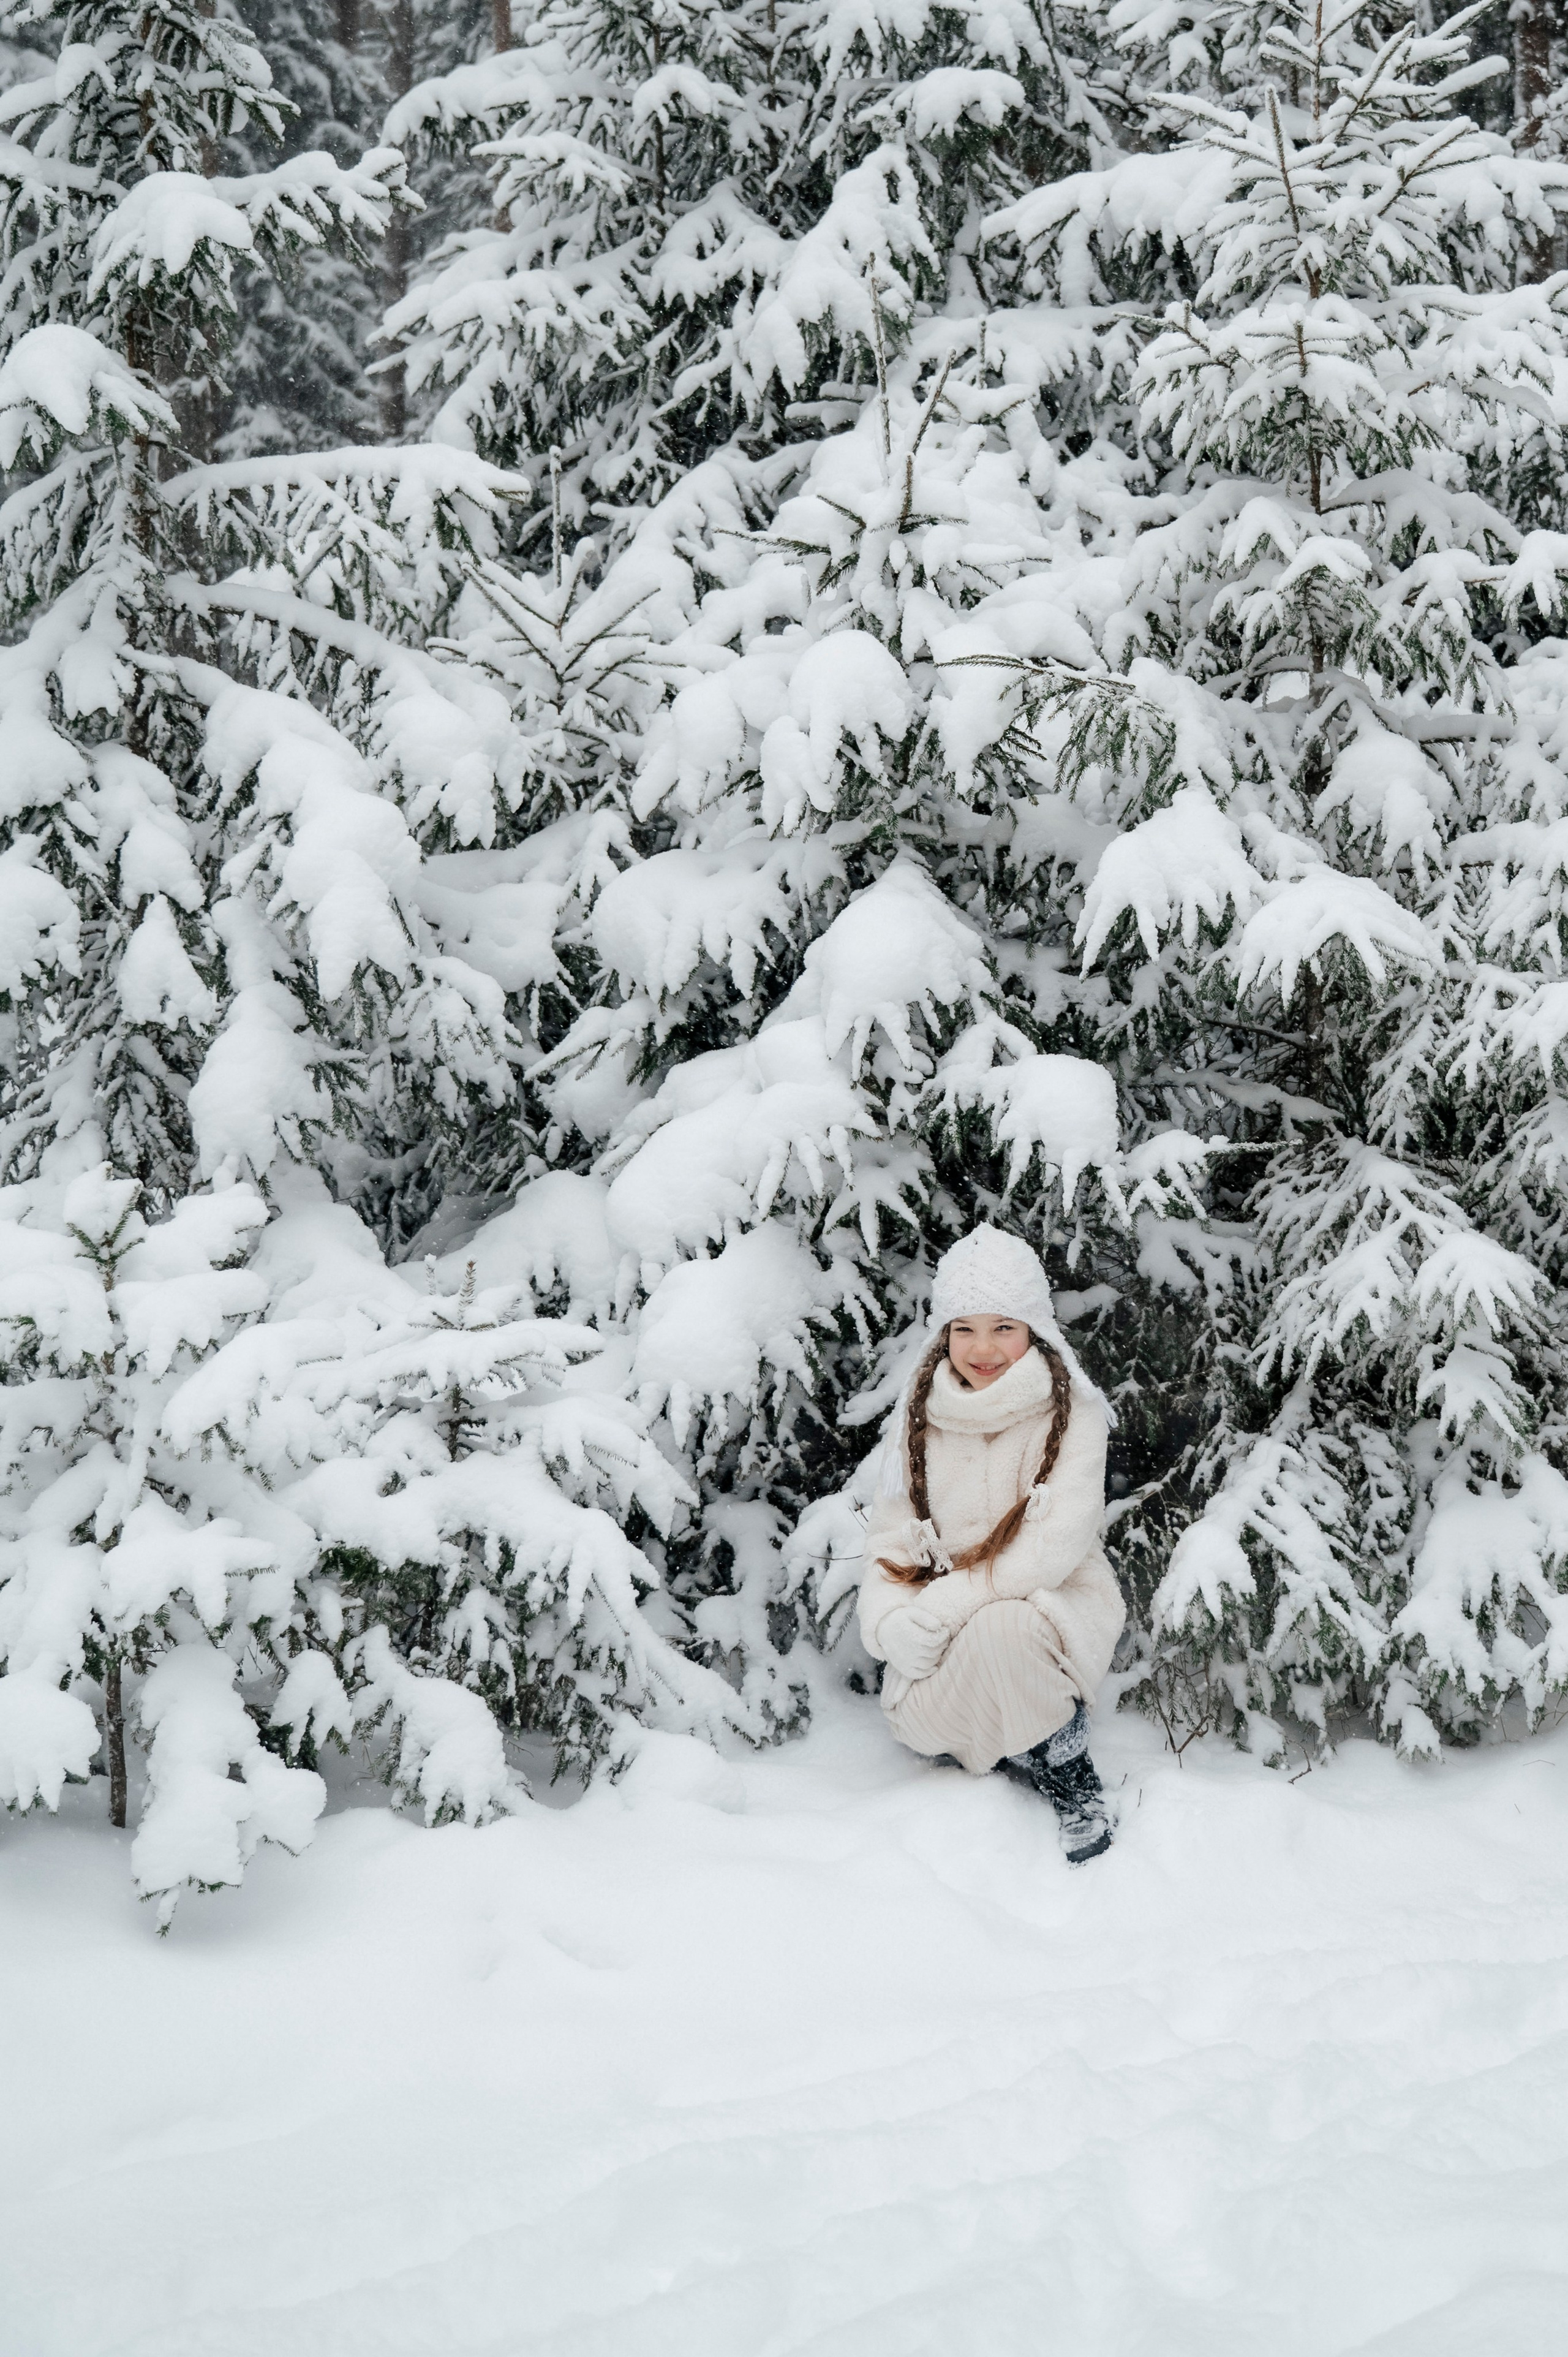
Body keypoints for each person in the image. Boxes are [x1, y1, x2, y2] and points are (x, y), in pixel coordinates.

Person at [857, 1225, 1125, 1863]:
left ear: (1033, 1328)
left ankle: (1065, 1766)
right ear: (942, 1333)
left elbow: (1049, 1551)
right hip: (940, 1634)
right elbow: (890, 1540)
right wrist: (889, 1624)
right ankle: (1017, 1736)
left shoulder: (1074, 1412)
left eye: (1003, 1327)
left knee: (1006, 1629)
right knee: (915, 1724)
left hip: (1043, 1614)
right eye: (964, 1328)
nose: (982, 1349)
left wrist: (946, 1604)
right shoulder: (919, 1413)